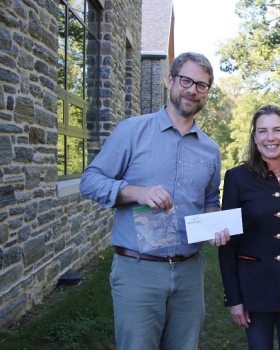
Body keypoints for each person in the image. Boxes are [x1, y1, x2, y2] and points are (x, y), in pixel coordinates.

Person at [80, 52, 229, 350]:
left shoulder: (210, 150)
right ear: (170, 80)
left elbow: (211, 198)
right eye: (186, 80)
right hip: (139, 270)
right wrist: (137, 192)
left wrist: (216, 223)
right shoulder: (133, 131)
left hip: (190, 273)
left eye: (202, 85)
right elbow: (90, 180)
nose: (193, 90)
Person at [218, 104, 280, 350]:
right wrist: (234, 297)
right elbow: (227, 244)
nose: (270, 137)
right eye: (262, 131)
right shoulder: (237, 178)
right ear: (254, 137)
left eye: (277, 130)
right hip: (253, 291)